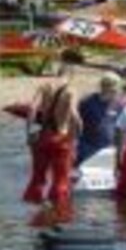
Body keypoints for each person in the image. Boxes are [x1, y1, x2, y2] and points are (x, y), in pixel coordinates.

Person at [23, 73, 81, 206]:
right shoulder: (71, 90)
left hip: (43, 137)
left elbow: (31, 109)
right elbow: (74, 115)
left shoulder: (44, 86)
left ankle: (33, 211)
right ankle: (58, 211)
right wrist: (77, 136)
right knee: (60, 179)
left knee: (37, 178)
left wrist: (28, 133)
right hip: (61, 139)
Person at [76, 73, 123, 164]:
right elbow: (76, 122)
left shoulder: (118, 106)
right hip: (87, 148)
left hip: (108, 151)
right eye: (114, 90)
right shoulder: (87, 102)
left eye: (116, 90)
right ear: (104, 87)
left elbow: (119, 129)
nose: (116, 93)